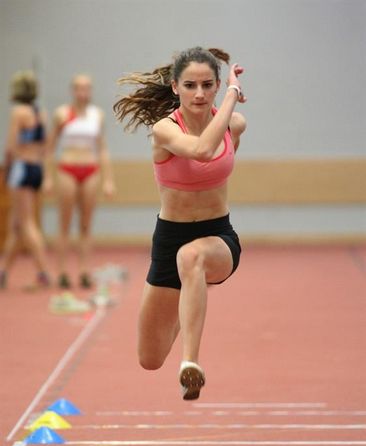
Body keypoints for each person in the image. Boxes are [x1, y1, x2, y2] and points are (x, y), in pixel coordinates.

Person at [114, 47, 247, 400]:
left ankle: (191, 364)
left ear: (217, 85)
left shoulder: (235, 125)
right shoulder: (164, 130)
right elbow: (203, 150)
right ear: (175, 87)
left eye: (208, 85)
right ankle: (193, 294)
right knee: (150, 358)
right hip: (170, 237)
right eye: (190, 85)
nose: (199, 94)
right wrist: (234, 93)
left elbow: (219, 151)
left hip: (218, 237)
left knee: (192, 258)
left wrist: (231, 101)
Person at [45, 74, 115, 289]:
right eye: (79, 88)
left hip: (90, 168)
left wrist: (108, 179)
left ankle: (84, 271)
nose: (83, 92)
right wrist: (48, 177)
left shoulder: (97, 115)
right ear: (72, 90)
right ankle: (62, 271)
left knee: (85, 224)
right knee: (65, 223)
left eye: (86, 88)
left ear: (90, 91)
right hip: (67, 167)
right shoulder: (62, 114)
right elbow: (49, 148)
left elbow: (102, 148)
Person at [0, 71, 51, 290]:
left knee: (27, 223)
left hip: (21, 167)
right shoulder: (41, 113)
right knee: (16, 225)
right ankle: (4, 272)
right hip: (36, 167)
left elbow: (11, 146)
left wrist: (6, 170)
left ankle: (43, 271)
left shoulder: (18, 112)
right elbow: (44, 146)